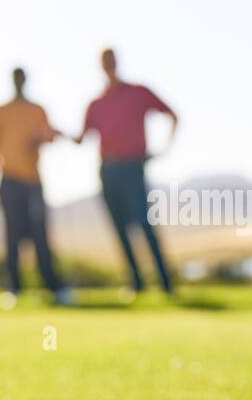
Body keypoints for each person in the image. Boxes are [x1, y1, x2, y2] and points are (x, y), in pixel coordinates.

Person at [74, 48, 177, 293]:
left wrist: (162, 150)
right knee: (120, 229)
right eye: (105, 62)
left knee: (144, 225)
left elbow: (173, 115)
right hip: (107, 170)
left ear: (117, 62)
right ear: (101, 65)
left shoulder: (138, 93)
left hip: (133, 168)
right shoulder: (95, 103)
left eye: (112, 61)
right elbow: (81, 138)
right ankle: (137, 283)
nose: (109, 65)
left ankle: (165, 283)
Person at [0, 67, 71, 302]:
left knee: (40, 234)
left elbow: (48, 135)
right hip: (9, 180)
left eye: (21, 78)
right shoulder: (0, 111)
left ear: (25, 80)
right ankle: (13, 288)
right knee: (11, 235)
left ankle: (54, 287)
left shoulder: (37, 110)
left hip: (32, 180)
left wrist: (43, 137)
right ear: (12, 81)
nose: (18, 82)